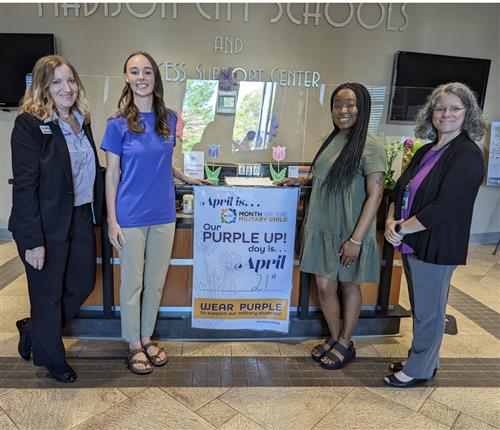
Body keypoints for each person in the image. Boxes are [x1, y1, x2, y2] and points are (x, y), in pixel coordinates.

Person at [102, 51, 206, 375]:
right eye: (134, 71)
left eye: (147, 72)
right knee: (132, 284)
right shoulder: (116, 124)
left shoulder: (170, 118)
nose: (141, 77)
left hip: (164, 213)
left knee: (156, 281)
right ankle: (133, 343)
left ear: (155, 77)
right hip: (130, 215)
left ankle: (147, 336)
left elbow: (161, 162)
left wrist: (185, 177)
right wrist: (112, 220)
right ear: (126, 78)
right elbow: (112, 174)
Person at [384, 82, 486, 388]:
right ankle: (425, 359)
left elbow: (444, 207)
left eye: (455, 108)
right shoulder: (428, 150)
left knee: (429, 311)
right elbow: (400, 187)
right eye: (440, 108)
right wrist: (391, 220)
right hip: (413, 239)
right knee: (423, 307)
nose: (446, 114)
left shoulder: (468, 154)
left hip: (437, 244)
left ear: (468, 113)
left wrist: (401, 228)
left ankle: (419, 369)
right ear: (430, 113)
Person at [277, 83, 387, 369]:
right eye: (338, 104)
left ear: (362, 108)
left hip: (348, 231)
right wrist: (303, 181)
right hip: (321, 226)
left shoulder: (371, 145)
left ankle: (346, 343)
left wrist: (357, 240)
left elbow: (375, 195)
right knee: (325, 287)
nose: (343, 110)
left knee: (348, 285)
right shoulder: (333, 138)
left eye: (350, 104)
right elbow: (330, 178)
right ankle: (336, 336)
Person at [9, 55, 104, 383]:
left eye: (71, 81)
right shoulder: (30, 124)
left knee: (82, 283)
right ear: (44, 87)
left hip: (80, 215)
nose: (67, 88)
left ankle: (34, 327)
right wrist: (32, 240)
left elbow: (90, 170)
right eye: (58, 82)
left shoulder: (82, 118)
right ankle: (52, 359)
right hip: (44, 222)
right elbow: (24, 185)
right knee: (47, 293)